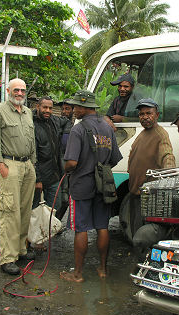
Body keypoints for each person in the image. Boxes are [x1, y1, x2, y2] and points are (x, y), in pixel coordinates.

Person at [60, 90, 122, 282]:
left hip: (81, 186)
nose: (73, 110)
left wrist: (64, 169)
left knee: (81, 229)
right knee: (103, 227)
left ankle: (77, 274)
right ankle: (102, 269)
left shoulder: (78, 129)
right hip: (103, 186)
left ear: (84, 108)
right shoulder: (107, 128)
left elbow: (71, 162)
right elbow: (115, 159)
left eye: (76, 106)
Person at [0, 78, 37, 275]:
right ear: (8, 90)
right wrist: (0, 164)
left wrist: (32, 163)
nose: (19, 93)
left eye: (22, 90)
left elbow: (31, 140)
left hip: (27, 165)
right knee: (10, 211)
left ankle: (21, 249)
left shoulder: (27, 112)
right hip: (10, 164)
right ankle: (8, 258)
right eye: (16, 90)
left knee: (25, 210)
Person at [127, 99, 176, 251]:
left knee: (146, 238)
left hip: (149, 197)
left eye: (149, 113)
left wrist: (168, 183)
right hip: (136, 194)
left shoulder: (160, 134)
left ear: (157, 115)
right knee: (137, 234)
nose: (144, 117)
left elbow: (167, 158)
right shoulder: (143, 133)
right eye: (141, 114)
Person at [32, 96, 72, 213]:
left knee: (55, 206)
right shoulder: (31, 124)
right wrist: (37, 179)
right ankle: (34, 231)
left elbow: (67, 122)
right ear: (37, 106)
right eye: (45, 107)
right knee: (34, 209)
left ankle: (49, 231)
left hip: (54, 175)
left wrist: (65, 135)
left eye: (50, 108)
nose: (48, 111)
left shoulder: (54, 121)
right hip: (39, 175)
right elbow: (32, 155)